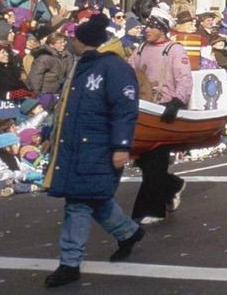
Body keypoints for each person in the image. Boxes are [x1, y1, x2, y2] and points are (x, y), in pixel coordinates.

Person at [43, 14, 145, 288]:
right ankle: (128, 233)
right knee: (93, 198)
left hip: (98, 147)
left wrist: (121, 146)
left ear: (84, 42)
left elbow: (125, 110)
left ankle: (69, 263)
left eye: (73, 38)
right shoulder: (83, 65)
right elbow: (67, 109)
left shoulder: (113, 67)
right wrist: (49, 136)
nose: (70, 42)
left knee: (78, 202)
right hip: (80, 146)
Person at [126, 6, 191, 225]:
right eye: (147, 26)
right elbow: (129, 72)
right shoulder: (141, 49)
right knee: (145, 162)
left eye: (152, 27)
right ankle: (173, 185)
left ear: (162, 29)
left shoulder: (174, 50)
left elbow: (184, 78)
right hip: (144, 108)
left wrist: (178, 101)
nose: (147, 30)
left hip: (164, 110)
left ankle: (153, 210)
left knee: (155, 161)